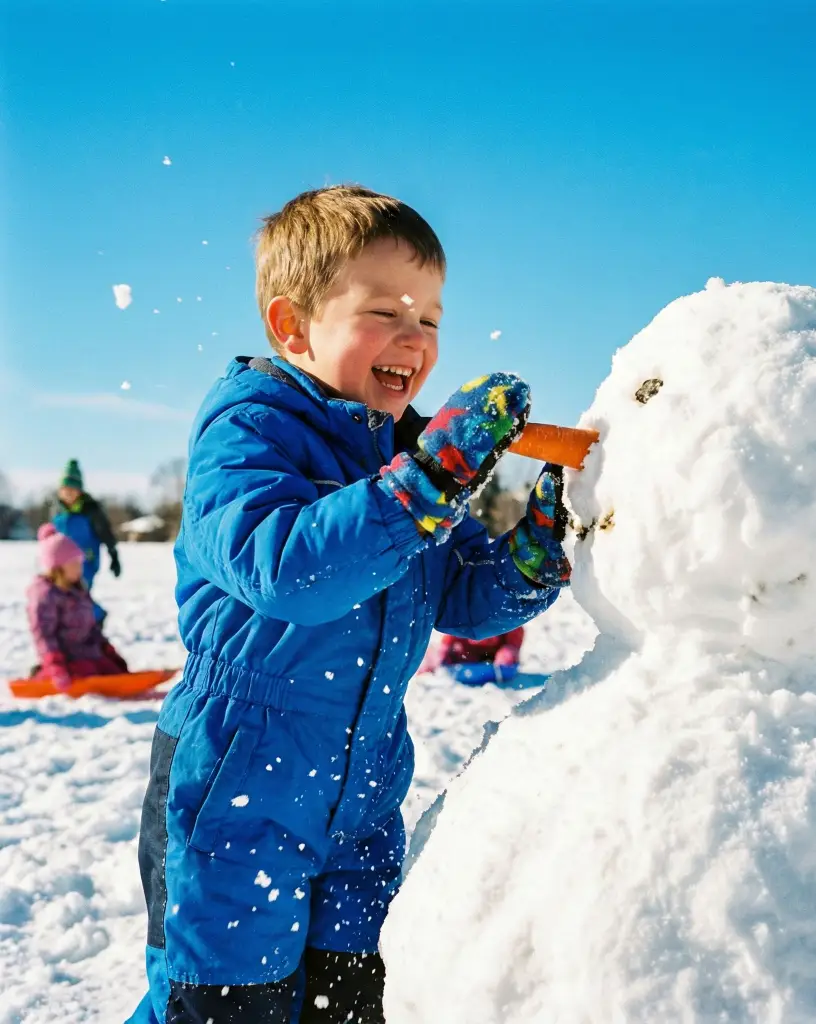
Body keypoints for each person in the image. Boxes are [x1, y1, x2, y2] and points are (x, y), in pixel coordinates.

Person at [128, 185, 571, 1024]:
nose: (417, 340)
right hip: (238, 780)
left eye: (432, 320)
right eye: (386, 312)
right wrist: (428, 482)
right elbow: (292, 571)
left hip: (363, 786)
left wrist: (532, 556)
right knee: (223, 1004)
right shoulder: (251, 428)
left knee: (352, 1002)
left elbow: (462, 593)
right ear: (293, 326)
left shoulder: (405, 454)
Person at [27, 525, 128, 690]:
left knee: (110, 669)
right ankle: (42, 674)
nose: (79, 569)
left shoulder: (79, 591)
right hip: (66, 658)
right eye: (73, 564)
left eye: (79, 563)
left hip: (88, 653)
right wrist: (55, 664)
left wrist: (107, 650)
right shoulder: (46, 596)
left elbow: (91, 628)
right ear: (57, 568)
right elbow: (44, 636)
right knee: (87, 670)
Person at [51, 459, 121, 590]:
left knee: (79, 596)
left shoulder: (91, 510)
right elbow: (52, 537)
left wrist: (114, 555)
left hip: (86, 562)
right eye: (66, 489)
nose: (69, 493)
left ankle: (95, 611)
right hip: (62, 564)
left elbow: (106, 533)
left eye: (73, 489)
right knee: (60, 598)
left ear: (80, 491)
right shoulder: (57, 511)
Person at [418, 627, 525, 685]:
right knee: (443, 653)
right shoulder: (463, 619)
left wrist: (510, 650)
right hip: (468, 655)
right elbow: (447, 640)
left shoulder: (503, 620)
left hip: (496, 654)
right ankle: (429, 665)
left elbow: (516, 632)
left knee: (507, 654)